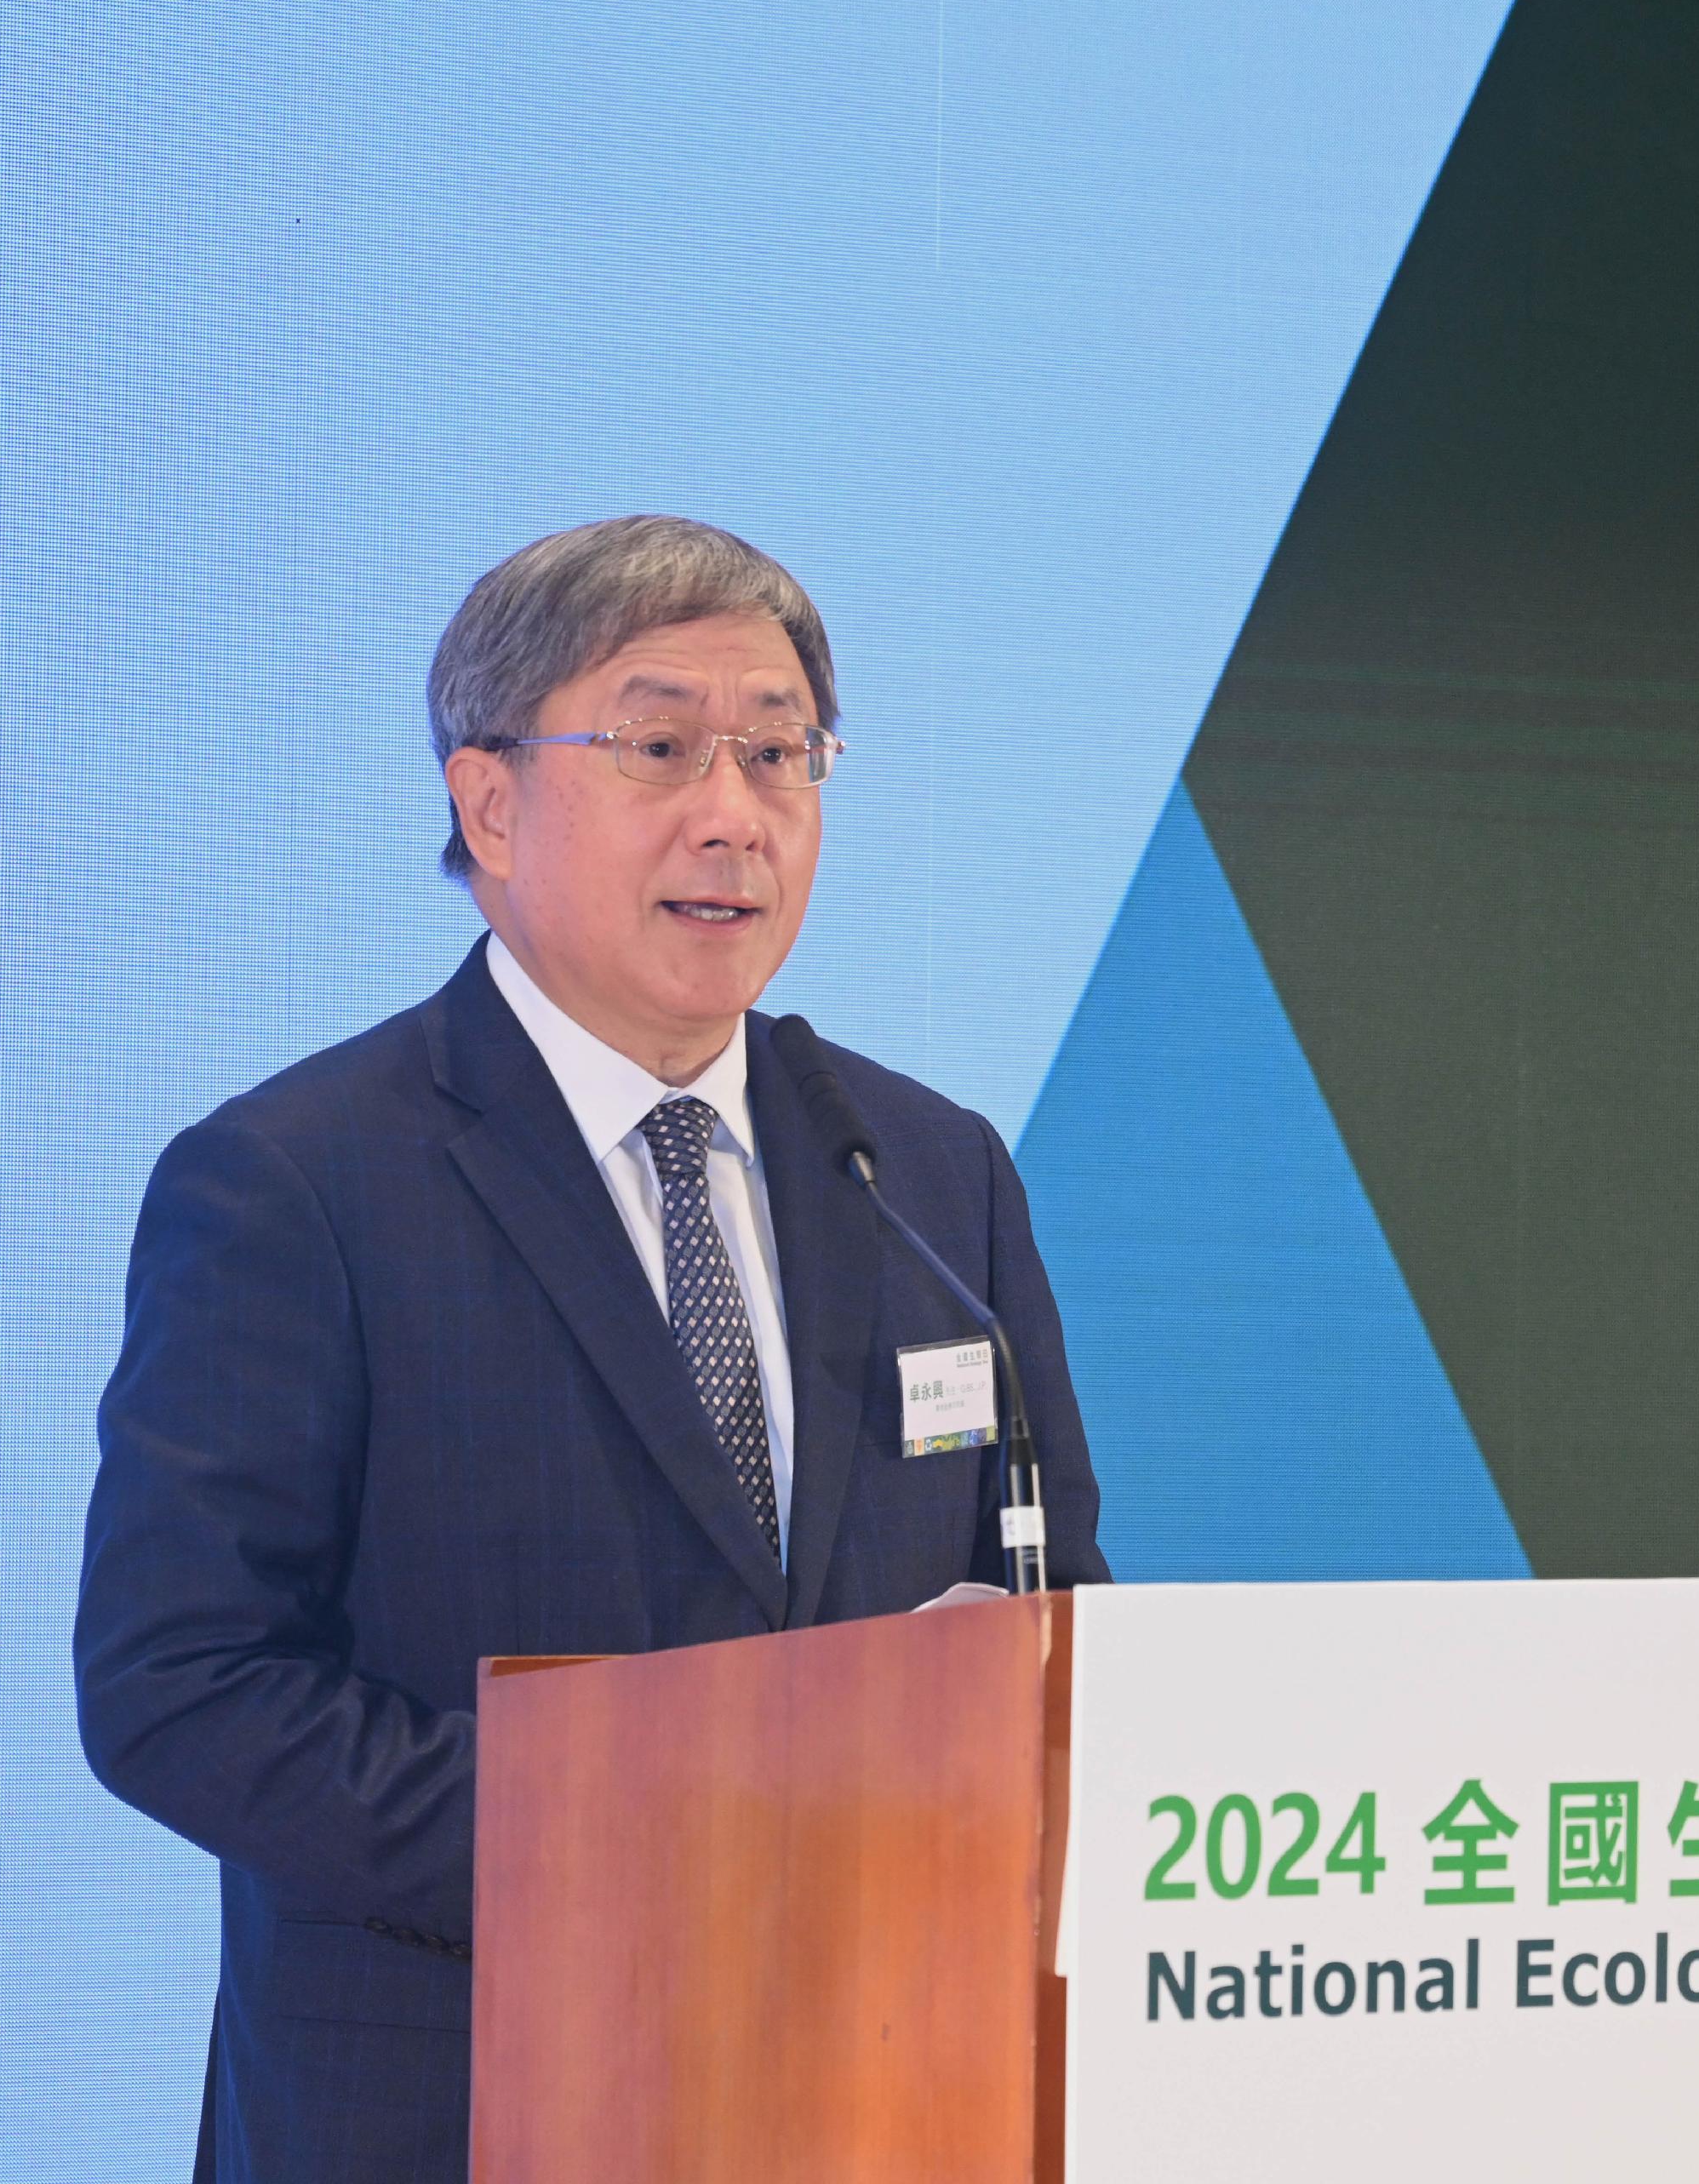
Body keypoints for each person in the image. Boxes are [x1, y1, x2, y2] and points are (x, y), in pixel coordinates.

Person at [73, 515, 1109, 2183]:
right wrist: (649, 1833)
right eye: (659, 746)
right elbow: (179, 1686)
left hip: (888, 2098)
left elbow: (1061, 1603)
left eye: (779, 753)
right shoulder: (298, 1179)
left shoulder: (926, 1170)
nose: (734, 810)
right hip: (453, 2111)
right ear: (488, 803)